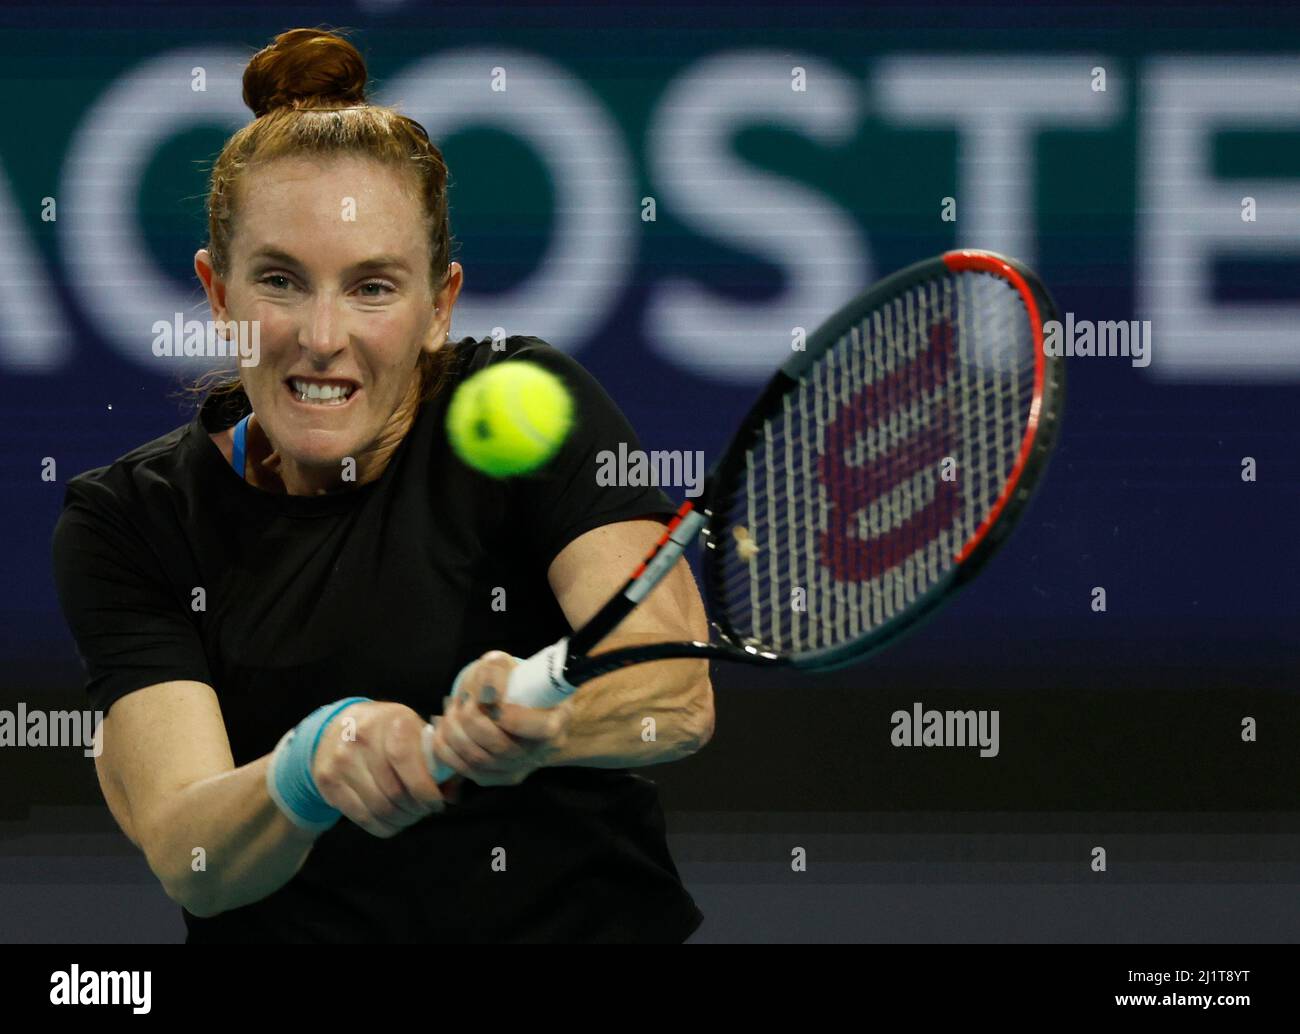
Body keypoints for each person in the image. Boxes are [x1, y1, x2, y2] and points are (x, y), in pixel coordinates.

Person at [51, 27, 711, 943]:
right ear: (217, 293)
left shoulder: (527, 410)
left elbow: (673, 692)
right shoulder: (131, 520)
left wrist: (536, 726)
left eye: (372, 288)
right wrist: (312, 765)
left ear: (439, 305)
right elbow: (188, 855)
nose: (323, 337)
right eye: (280, 280)